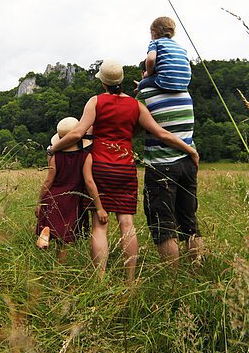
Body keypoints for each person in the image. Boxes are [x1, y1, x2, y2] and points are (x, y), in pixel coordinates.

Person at [49, 60, 198, 284]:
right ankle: (130, 280)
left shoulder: (95, 102)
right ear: (121, 81)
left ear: (103, 83)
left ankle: (99, 280)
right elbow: (161, 133)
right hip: (125, 167)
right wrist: (189, 150)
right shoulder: (136, 106)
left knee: (100, 226)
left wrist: (53, 148)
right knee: (127, 223)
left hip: (99, 167)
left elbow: (77, 134)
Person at [136, 18, 203, 265]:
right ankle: (196, 268)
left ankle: (171, 279)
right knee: (189, 221)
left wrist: (142, 85)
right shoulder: (184, 91)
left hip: (162, 164)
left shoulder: (145, 92)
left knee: (163, 224)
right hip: (188, 161)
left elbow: (136, 125)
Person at [36, 117, 105, 262]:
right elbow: (89, 182)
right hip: (71, 200)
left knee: (50, 225)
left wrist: (39, 202)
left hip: (53, 196)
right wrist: (99, 207)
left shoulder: (55, 156)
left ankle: (45, 233)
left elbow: (48, 180)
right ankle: (59, 269)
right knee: (64, 240)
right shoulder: (86, 157)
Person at [136, 16, 191, 92]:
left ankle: (138, 91)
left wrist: (148, 73)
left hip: (165, 81)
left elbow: (151, 59)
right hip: (184, 83)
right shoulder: (179, 46)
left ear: (153, 32)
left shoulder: (155, 43)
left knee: (142, 84)